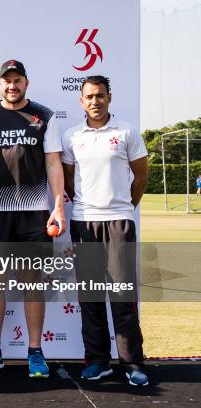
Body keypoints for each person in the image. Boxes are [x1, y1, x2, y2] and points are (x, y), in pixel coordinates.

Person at [0, 59, 66, 378]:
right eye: (6, 80)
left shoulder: (44, 116)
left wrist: (58, 206)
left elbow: (53, 163)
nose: (12, 85)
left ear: (26, 82)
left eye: (18, 80)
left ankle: (35, 351)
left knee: (31, 282)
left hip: (34, 211)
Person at [62, 75, 149, 386]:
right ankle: (98, 361)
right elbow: (69, 181)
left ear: (109, 97)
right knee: (90, 297)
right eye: (89, 97)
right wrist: (88, 209)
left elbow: (140, 177)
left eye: (100, 96)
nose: (95, 101)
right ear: (81, 101)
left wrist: (124, 206)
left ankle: (133, 363)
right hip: (84, 222)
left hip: (120, 221)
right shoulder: (71, 136)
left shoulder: (127, 131)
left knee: (123, 295)